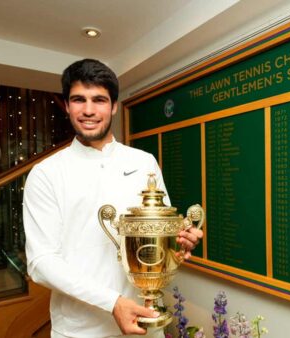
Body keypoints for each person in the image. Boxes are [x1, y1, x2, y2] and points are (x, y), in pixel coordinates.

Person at [23, 59, 203, 338]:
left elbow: (163, 231)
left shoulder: (144, 162)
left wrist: (181, 238)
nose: (89, 110)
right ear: (67, 106)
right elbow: (41, 262)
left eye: (99, 100)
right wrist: (113, 303)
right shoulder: (46, 174)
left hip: (146, 321)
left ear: (114, 106)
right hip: (79, 330)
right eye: (79, 100)